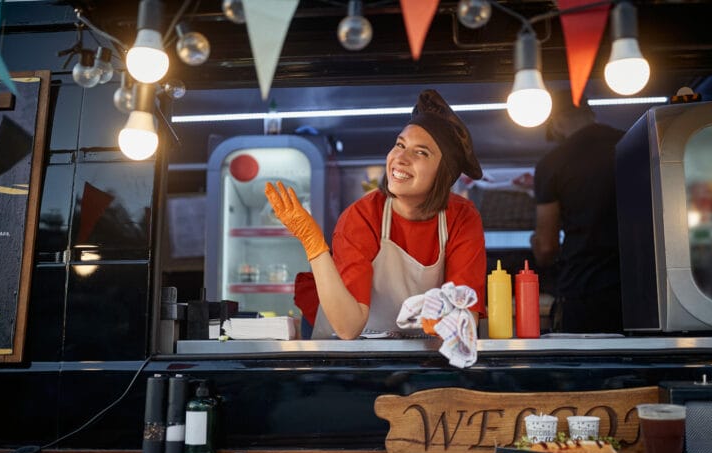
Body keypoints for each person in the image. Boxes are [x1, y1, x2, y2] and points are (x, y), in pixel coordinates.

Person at [265, 89, 487, 339]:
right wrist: (314, 244)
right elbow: (348, 327)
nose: (400, 158)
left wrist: (434, 314)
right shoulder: (362, 216)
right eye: (400, 145)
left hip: (424, 359)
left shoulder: (462, 218)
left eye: (421, 152)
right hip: (351, 357)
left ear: (444, 173)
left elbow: (465, 320)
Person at [530, 92, 625, 333]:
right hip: (640, 288)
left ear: (556, 122)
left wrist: (536, 243)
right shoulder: (631, 144)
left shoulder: (552, 163)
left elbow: (546, 247)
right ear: (590, 112)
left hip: (584, 289)